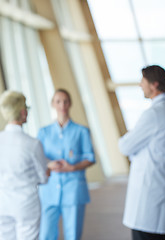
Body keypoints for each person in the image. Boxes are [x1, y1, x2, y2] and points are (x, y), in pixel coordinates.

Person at [119, 65, 165, 240]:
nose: (140, 85)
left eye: (143, 81)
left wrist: (128, 140)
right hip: (161, 186)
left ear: (154, 84)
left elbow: (125, 146)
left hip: (149, 194)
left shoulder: (153, 114)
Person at [0, 90, 55, 240]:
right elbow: (42, 177)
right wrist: (48, 170)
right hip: (26, 205)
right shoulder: (33, 143)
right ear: (23, 112)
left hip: (2, 204)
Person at [37, 89, 95, 240]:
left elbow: (90, 157)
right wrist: (49, 164)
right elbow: (38, 158)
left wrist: (73, 167)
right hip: (49, 190)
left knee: (73, 235)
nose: (62, 105)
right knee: (46, 235)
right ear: (53, 104)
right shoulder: (44, 132)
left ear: (70, 104)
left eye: (65, 101)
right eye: (58, 101)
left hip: (73, 190)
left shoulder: (81, 131)